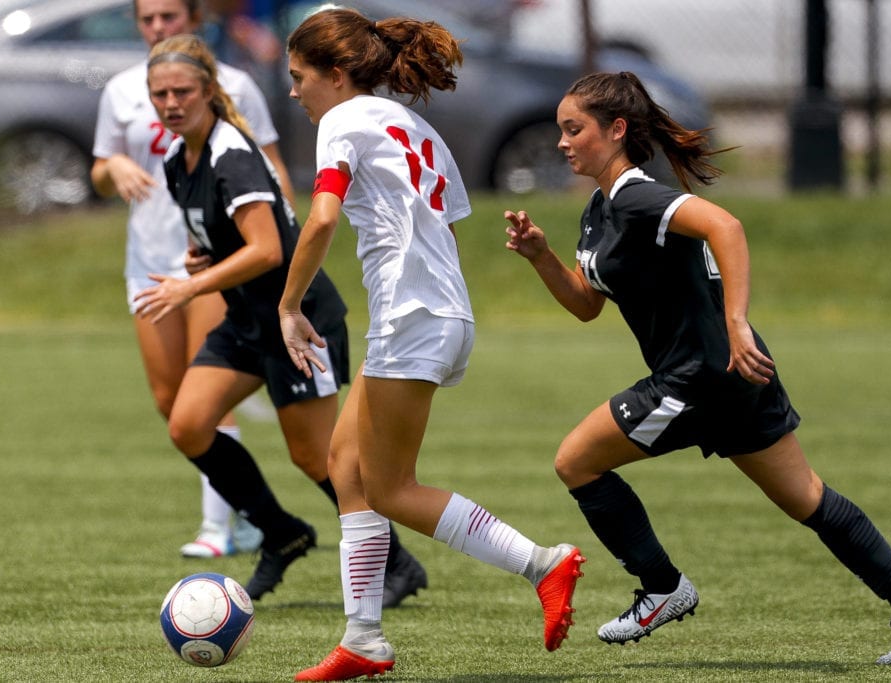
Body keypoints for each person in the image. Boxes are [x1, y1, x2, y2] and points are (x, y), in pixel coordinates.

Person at [503, 71, 891, 665]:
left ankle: (663, 589)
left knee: (576, 462)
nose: (562, 142)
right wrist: (541, 256)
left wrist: (736, 322)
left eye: (573, 129)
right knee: (807, 499)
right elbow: (588, 304)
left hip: (699, 375)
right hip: (736, 374)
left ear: (616, 130)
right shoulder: (599, 208)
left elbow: (726, 227)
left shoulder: (639, 196)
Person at [277, 9, 586, 681]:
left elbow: (324, 214)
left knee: (389, 487)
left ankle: (543, 562)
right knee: (346, 464)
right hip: (438, 311)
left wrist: (290, 302)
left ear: (336, 75)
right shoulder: (409, 124)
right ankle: (364, 637)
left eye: (300, 77)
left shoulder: (342, 120)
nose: (295, 91)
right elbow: (433, 216)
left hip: (411, 316)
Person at [92, 1, 428, 608]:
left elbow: (269, 249)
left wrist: (191, 285)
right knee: (188, 424)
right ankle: (282, 533)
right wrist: (203, 262)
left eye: (182, 92)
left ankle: (397, 563)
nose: (170, 103)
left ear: (209, 90)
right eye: (159, 94)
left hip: (299, 318)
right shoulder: (177, 157)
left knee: (320, 457)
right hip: (249, 318)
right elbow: (222, 237)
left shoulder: (232, 152)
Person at [91, 0, 292, 559]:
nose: (158, 27)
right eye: (148, 18)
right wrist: (114, 169)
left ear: (195, 20)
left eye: (170, 16)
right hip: (148, 261)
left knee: (205, 392)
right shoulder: (123, 91)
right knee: (168, 399)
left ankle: (216, 529)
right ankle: (249, 509)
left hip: (212, 262)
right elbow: (100, 172)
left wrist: (292, 245)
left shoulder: (234, 86)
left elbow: (272, 168)